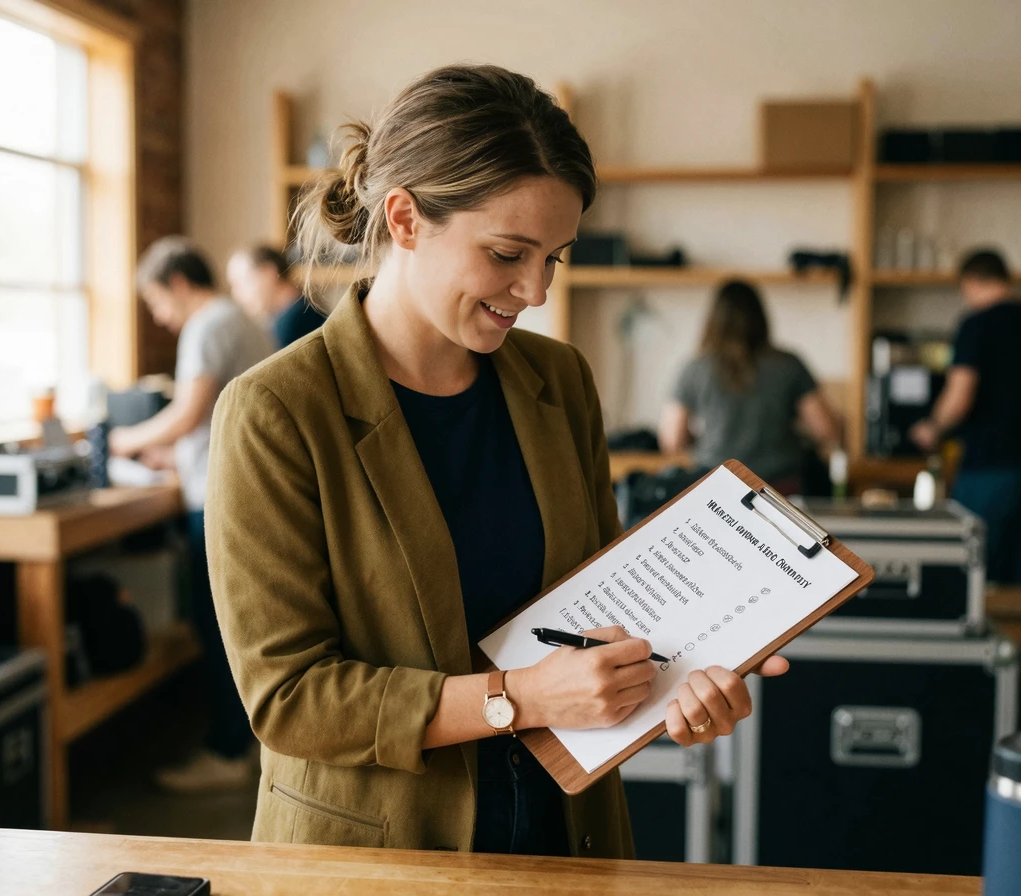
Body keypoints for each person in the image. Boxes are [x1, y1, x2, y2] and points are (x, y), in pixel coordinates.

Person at [205, 65, 787, 857]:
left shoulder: (561, 381)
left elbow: (604, 610)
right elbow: (291, 698)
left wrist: (675, 681)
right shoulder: (275, 411)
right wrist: (518, 699)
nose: (535, 291)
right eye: (509, 253)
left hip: (566, 834)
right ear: (405, 219)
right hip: (378, 855)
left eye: (554, 258)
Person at [111, 236, 275, 791]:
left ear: (179, 283)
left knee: (218, 626)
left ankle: (227, 751)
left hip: (219, 499)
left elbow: (187, 413)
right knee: (240, 624)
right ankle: (244, 744)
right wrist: (172, 456)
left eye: (157, 301)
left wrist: (121, 441)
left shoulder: (207, 326)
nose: (159, 317)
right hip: (242, 490)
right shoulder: (241, 319)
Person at [659, 280, 841, 495]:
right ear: (761, 318)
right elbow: (826, 429)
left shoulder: (695, 368)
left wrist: (703, 439)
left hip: (716, 486)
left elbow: (672, 440)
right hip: (779, 488)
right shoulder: (789, 365)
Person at [910, 249, 1021, 583]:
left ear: (970, 281)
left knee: (973, 571)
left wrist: (932, 427)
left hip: (989, 466)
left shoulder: (976, 325)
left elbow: (960, 396)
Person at [226, 244, 326, 348]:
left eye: (241, 283)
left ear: (269, 272)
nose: (237, 295)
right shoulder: (306, 308)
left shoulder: (291, 324)